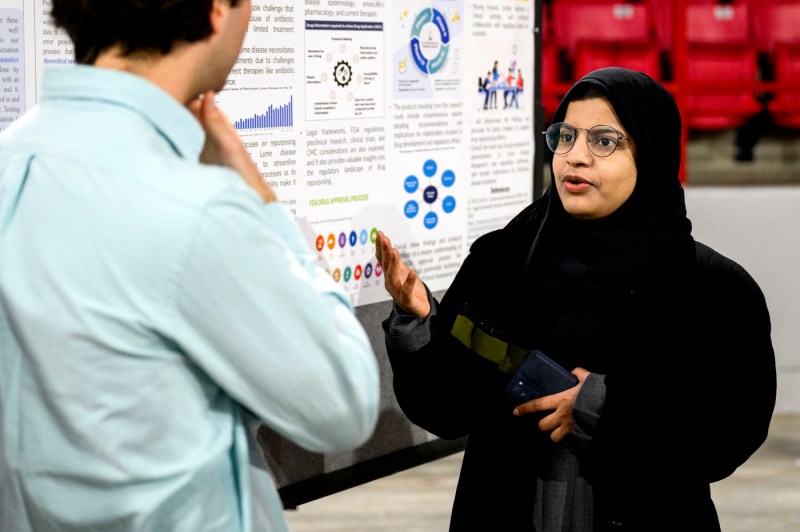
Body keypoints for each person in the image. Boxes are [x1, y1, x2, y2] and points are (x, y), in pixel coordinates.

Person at [0, 1, 379, 531]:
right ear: (217, 10)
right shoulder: (197, 210)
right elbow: (343, 403)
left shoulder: (12, 156)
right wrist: (264, 205)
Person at [377, 67, 776, 531]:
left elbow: (729, 433)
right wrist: (418, 320)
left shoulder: (714, 290)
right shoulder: (501, 262)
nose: (576, 157)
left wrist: (603, 406)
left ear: (651, 154)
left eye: (604, 141)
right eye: (565, 136)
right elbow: (445, 409)